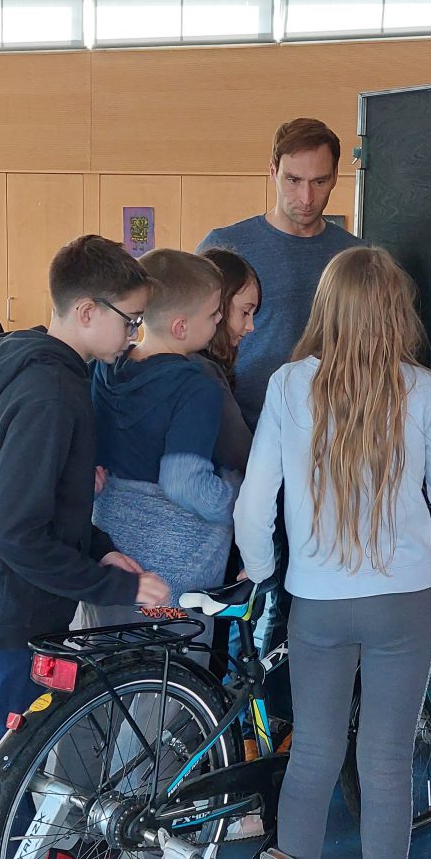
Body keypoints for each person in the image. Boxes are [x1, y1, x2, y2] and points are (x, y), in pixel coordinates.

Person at [234, 246, 431, 859]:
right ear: (397, 313)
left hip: (317, 603)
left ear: (326, 309)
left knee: (311, 753)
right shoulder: (423, 390)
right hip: (402, 602)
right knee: (385, 758)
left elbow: (254, 504)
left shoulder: (289, 386)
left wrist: (266, 573)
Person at [0, 235, 168, 859]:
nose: (134, 337)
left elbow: (48, 506)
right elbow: (17, 533)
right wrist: (117, 589)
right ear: (89, 311)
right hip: (5, 607)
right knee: (3, 763)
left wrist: (103, 551)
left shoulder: (44, 372)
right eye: (130, 320)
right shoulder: (50, 391)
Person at [87, 249, 238, 627]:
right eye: (214, 314)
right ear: (181, 327)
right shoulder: (196, 388)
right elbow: (184, 482)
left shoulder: (105, 369)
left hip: (110, 561)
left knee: (106, 657)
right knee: (176, 662)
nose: (221, 319)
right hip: (171, 579)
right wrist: (238, 498)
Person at [197, 117, 362, 430]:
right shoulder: (224, 246)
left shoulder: (355, 256)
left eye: (319, 182)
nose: (306, 198)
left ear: (335, 177)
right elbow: (192, 342)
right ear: (273, 171)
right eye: (293, 180)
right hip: (238, 426)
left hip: (331, 430)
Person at [196, 246, 262, 475]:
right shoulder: (204, 374)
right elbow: (241, 456)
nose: (251, 327)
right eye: (245, 312)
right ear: (219, 305)